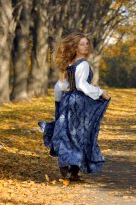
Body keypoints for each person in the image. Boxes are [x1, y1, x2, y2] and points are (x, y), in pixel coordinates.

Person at [38, 32, 111, 181]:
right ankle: (71, 170)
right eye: (82, 44)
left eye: (87, 43)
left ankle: (69, 169)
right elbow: (81, 85)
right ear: (75, 47)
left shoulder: (70, 64)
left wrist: (58, 102)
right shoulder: (83, 64)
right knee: (80, 134)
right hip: (79, 103)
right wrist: (100, 92)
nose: (86, 46)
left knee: (67, 133)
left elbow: (61, 86)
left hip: (68, 100)